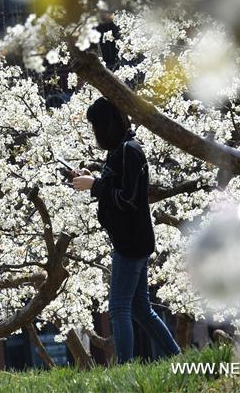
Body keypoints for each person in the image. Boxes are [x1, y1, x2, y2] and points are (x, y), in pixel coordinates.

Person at [70, 96, 181, 363]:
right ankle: (177, 357)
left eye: (96, 127)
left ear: (106, 125)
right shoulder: (119, 150)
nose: (94, 134)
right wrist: (90, 177)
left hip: (131, 242)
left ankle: (126, 367)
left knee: (119, 307)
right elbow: (114, 184)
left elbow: (127, 198)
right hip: (131, 239)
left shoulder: (130, 150)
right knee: (141, 309)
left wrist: (95, 185)